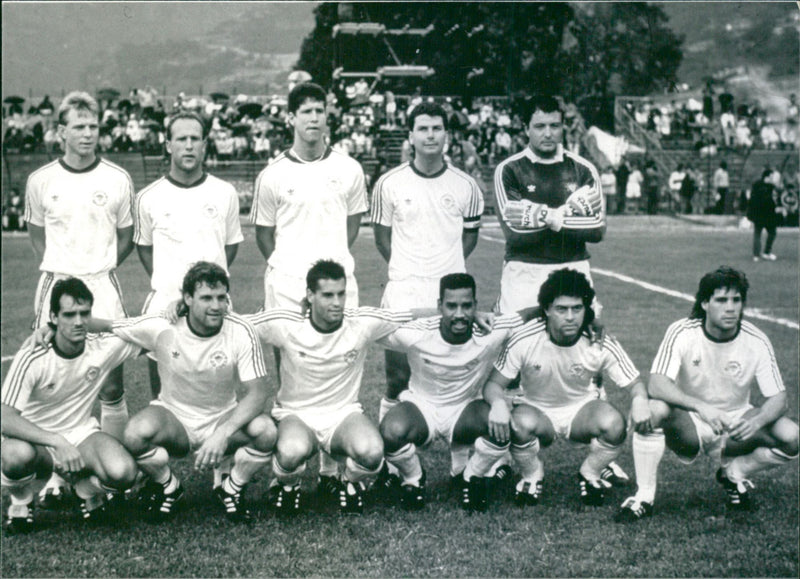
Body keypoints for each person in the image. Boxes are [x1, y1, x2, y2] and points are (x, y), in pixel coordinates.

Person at [250, 82, 368, 482]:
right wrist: (290, 268)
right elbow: (264, 233)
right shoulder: (273, 175)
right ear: (291, 119)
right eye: (306, 112)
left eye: (320, 110)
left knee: (337, 356)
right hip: (286, 283)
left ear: (328, 115)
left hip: (336, 282)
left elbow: (351, 225)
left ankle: (332, 459)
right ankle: (293, 447)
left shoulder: (349, 169)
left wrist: (327, 266)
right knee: (290, 363)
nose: (314, 118)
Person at [249, 260, 434, 515]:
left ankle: (349, 481)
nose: (336, 302)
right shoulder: (286, 323)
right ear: (310, 295)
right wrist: (182, 309)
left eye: (341, 293)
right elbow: (237, 325)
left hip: (342, 415)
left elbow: (410, 315)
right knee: (291, 452)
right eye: (327, 295)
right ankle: (287, 486)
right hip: (296, 414)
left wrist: (460, 314)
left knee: (372, 453)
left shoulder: (360, 322)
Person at [23, 90, 135, 506]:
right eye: (80, 127)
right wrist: (64, 272)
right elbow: (39, 236)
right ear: (61, 132)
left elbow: (126, 236)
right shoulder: (41, 181)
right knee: (50, 380)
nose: (88, 134)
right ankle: (56, 474)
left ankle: (111, 472)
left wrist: (96, 268)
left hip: (101, 285)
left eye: (94, 127)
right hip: (56, 284)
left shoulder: (118, 178)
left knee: (111, 382)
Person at [98, 262, 276, 522]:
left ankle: (232, 488)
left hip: (221, 417)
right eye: (206, 298)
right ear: (188, 299)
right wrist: (54, 328)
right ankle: (169, 486)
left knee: (267, 431)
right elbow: (106, 325)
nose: (216, 306)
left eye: (221, 298)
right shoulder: (163, 325)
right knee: (135, 434)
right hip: (174, 418)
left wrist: (223, 433)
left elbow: (259, 393)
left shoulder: (240, 330)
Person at [616, 267, 798, 521]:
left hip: (734, 425)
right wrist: (701, 407)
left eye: (736, 300)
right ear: (704, 303)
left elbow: (780, 399)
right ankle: (644, 497)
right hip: (691, 424)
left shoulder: (756, 340)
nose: (731, 308)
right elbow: (656, 384)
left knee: (792, 436)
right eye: (721, 300)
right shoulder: (682, 331)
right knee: (655, 409)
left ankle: (734, 473)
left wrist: (755, 422)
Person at [464, 269, 650, 511]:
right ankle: (532, 474)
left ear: (587, 311)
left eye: (577, 308)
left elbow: (635, 383)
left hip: (581, 410)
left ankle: (590, 472)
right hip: (536, 409)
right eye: (562, 309)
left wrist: (640, 400)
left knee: (614, 424)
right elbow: (494, 384)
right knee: (517, 425)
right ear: (547, 310)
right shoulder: (525, 338)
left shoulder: (599, 342)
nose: (570, 317)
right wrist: (499, 404)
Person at [377, 273, 539, 510]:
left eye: (467, 306)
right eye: (451, 306)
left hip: (464, 410)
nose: (460, 314)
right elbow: (371, 324)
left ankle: (472, 476)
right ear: (439, 306)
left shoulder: (491, 329)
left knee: (501, 427)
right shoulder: (416, 332)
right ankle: (413, 478)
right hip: (422, 407)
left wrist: (589, 318)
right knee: (390, 432)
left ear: (476, 305)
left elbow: (532, 314)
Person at [370, 101, 484, 429]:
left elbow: (469, 239)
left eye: (436, 128)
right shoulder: (388, 184)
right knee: (397, 377)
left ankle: (459, 458)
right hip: (403, 289)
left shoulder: (467, 186)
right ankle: (392, 460)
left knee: (454, 374)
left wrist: (443, 270)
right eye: (423, 128)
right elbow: (382, 240)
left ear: (447, 134)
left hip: (446, 294)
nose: (430, 135)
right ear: (410, 135)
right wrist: (410, 267)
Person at [1, 279, 140, 533]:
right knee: (14, 456)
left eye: (84, 313)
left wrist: (178, 307)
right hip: (36, 441)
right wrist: (56, 441)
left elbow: (153, 329)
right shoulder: (33, 355)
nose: (78, 321)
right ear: (53, 317)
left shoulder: (102, 347)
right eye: (69, 314)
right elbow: (4, 417)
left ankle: (83, 490)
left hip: (80, 434)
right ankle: (21, 501)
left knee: (124, 472)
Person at [135, 111, 244, 397]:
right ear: (168, 144)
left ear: (205, 144)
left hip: (213, 304)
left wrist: (205, 288)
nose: (188, 145)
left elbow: (230, 245)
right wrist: (173, 286)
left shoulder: (224, 192)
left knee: (218, 393)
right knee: (163, 396)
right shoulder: (148, 197)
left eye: (195, 139)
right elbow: (145, 247)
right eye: (181, 138)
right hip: (164, 304)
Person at [494, 95, 605, 315]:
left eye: (554, 125)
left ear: (563, 127)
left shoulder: (583, 169)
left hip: (574, 268)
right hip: (524, 271)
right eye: (539, 126)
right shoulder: (509, 169)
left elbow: (596, 230)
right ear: (526, 128)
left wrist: (539, 216)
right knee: (518, 343)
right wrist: (566, 214)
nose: (547, 133)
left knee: (577, 345)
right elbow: (515, 233)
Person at [747, 169, 785, 262]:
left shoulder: (756, 185)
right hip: (767, 214)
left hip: (758, 214)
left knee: (758, 234)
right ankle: (766, 253)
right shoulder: (770, 188)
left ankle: (756, 255)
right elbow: (770, 201)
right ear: (767, 177)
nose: (773, 179)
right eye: (771, 177)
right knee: (771, 232)